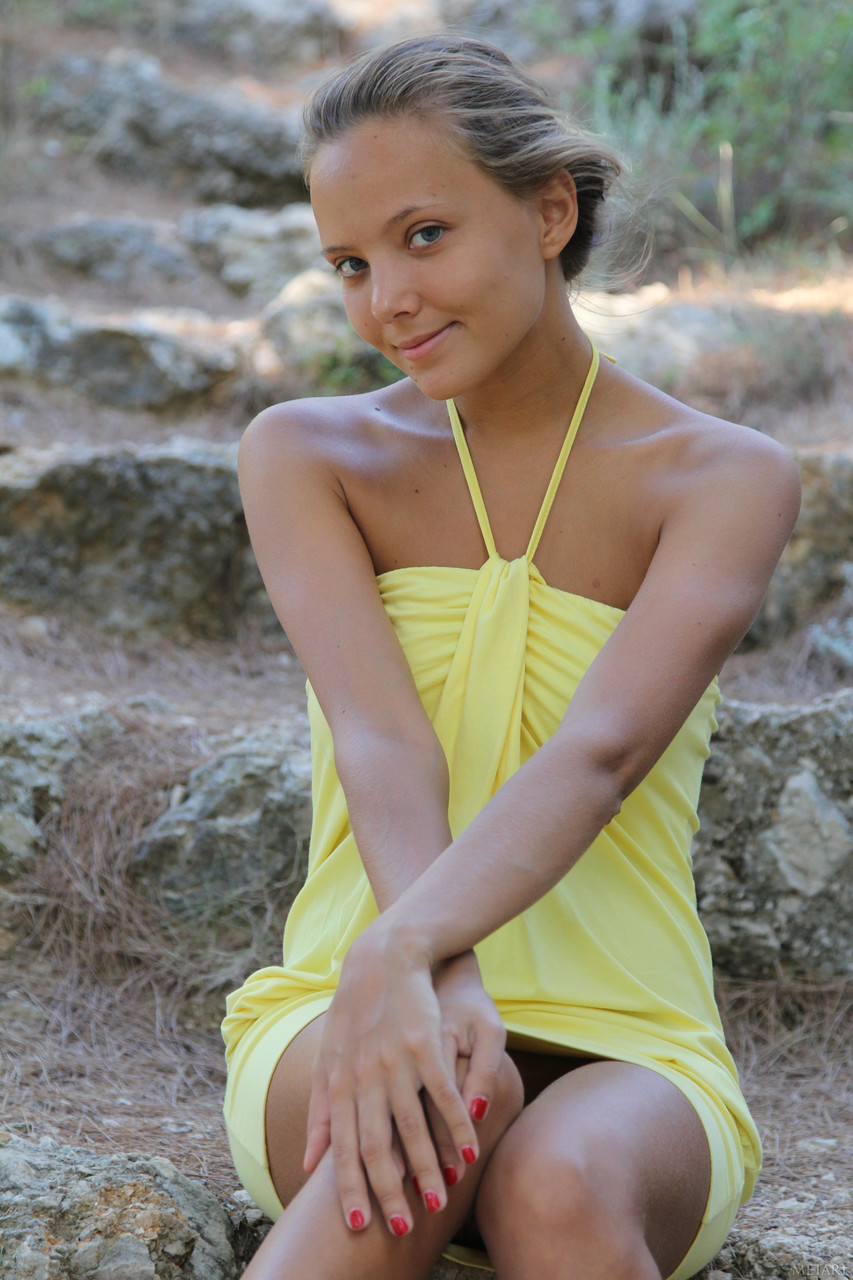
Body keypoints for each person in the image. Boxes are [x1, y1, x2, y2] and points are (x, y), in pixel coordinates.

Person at [220, 33, 800, 1280]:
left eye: (423, 235)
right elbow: (380, 737)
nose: (386, 299)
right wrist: (420, 966)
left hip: (628, 1040)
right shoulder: (305, 456)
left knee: (561, 1183)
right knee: (453, 1095)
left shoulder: (723, 478)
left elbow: (600, 753)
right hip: (349, 1005)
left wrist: (411, 939)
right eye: (350, 263)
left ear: (548, 212)